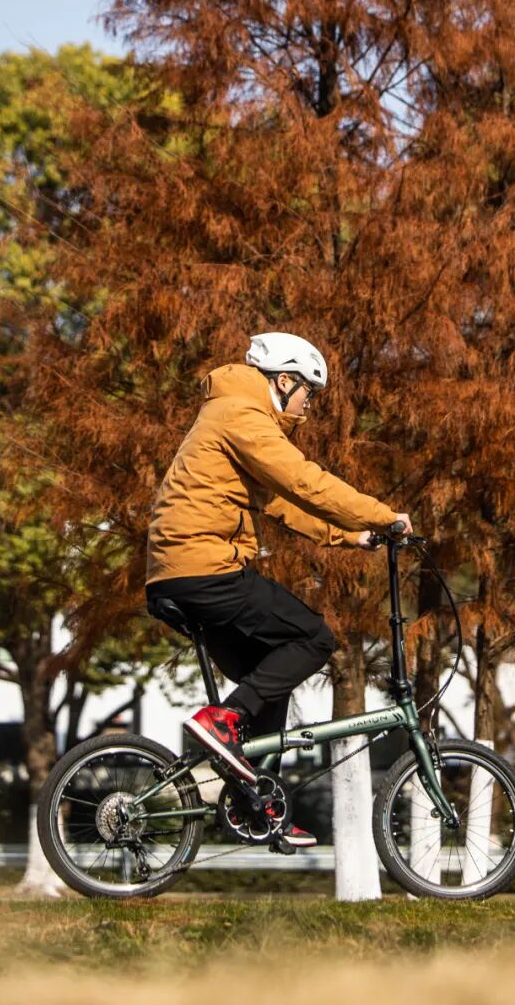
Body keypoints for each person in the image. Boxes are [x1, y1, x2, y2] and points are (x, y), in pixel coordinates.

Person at [145, 331, 411, 847]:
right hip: (206, 567)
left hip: (179, 572)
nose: (308, 406)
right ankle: (220, 722)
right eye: (308, 392)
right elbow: (303, 482)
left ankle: (258, 802)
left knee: (271, 681)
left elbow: (277, 502)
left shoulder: (232, 415)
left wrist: (351, 535)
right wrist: (383, 514)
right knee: (313, 638)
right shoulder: (242, 415)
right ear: (284, 379)